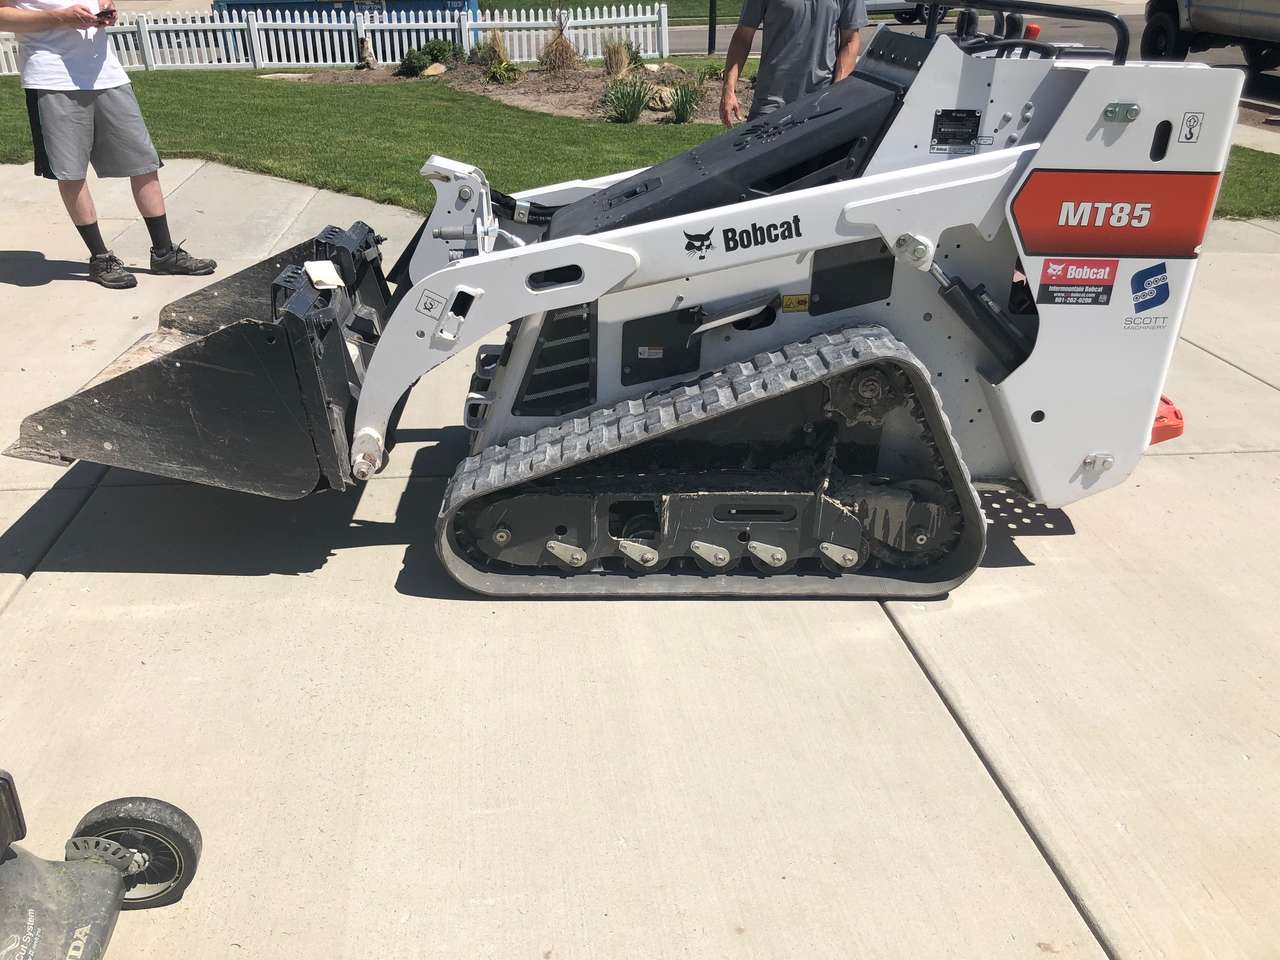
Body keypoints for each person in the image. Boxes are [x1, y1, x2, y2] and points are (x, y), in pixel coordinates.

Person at [0, 0, 215, 288]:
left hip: (106, 73)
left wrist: (106, 8)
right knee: (71, 172)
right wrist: (59, 18)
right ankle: (101, 258)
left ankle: (164, 253)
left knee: (143, 162)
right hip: (52, 78)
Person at [720, 0, 869, 127]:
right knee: (759, 159)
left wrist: (836, 90)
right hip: (771, 103)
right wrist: (729, 89)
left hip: (821, 103)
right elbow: (743, 36)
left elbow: (850, 39)